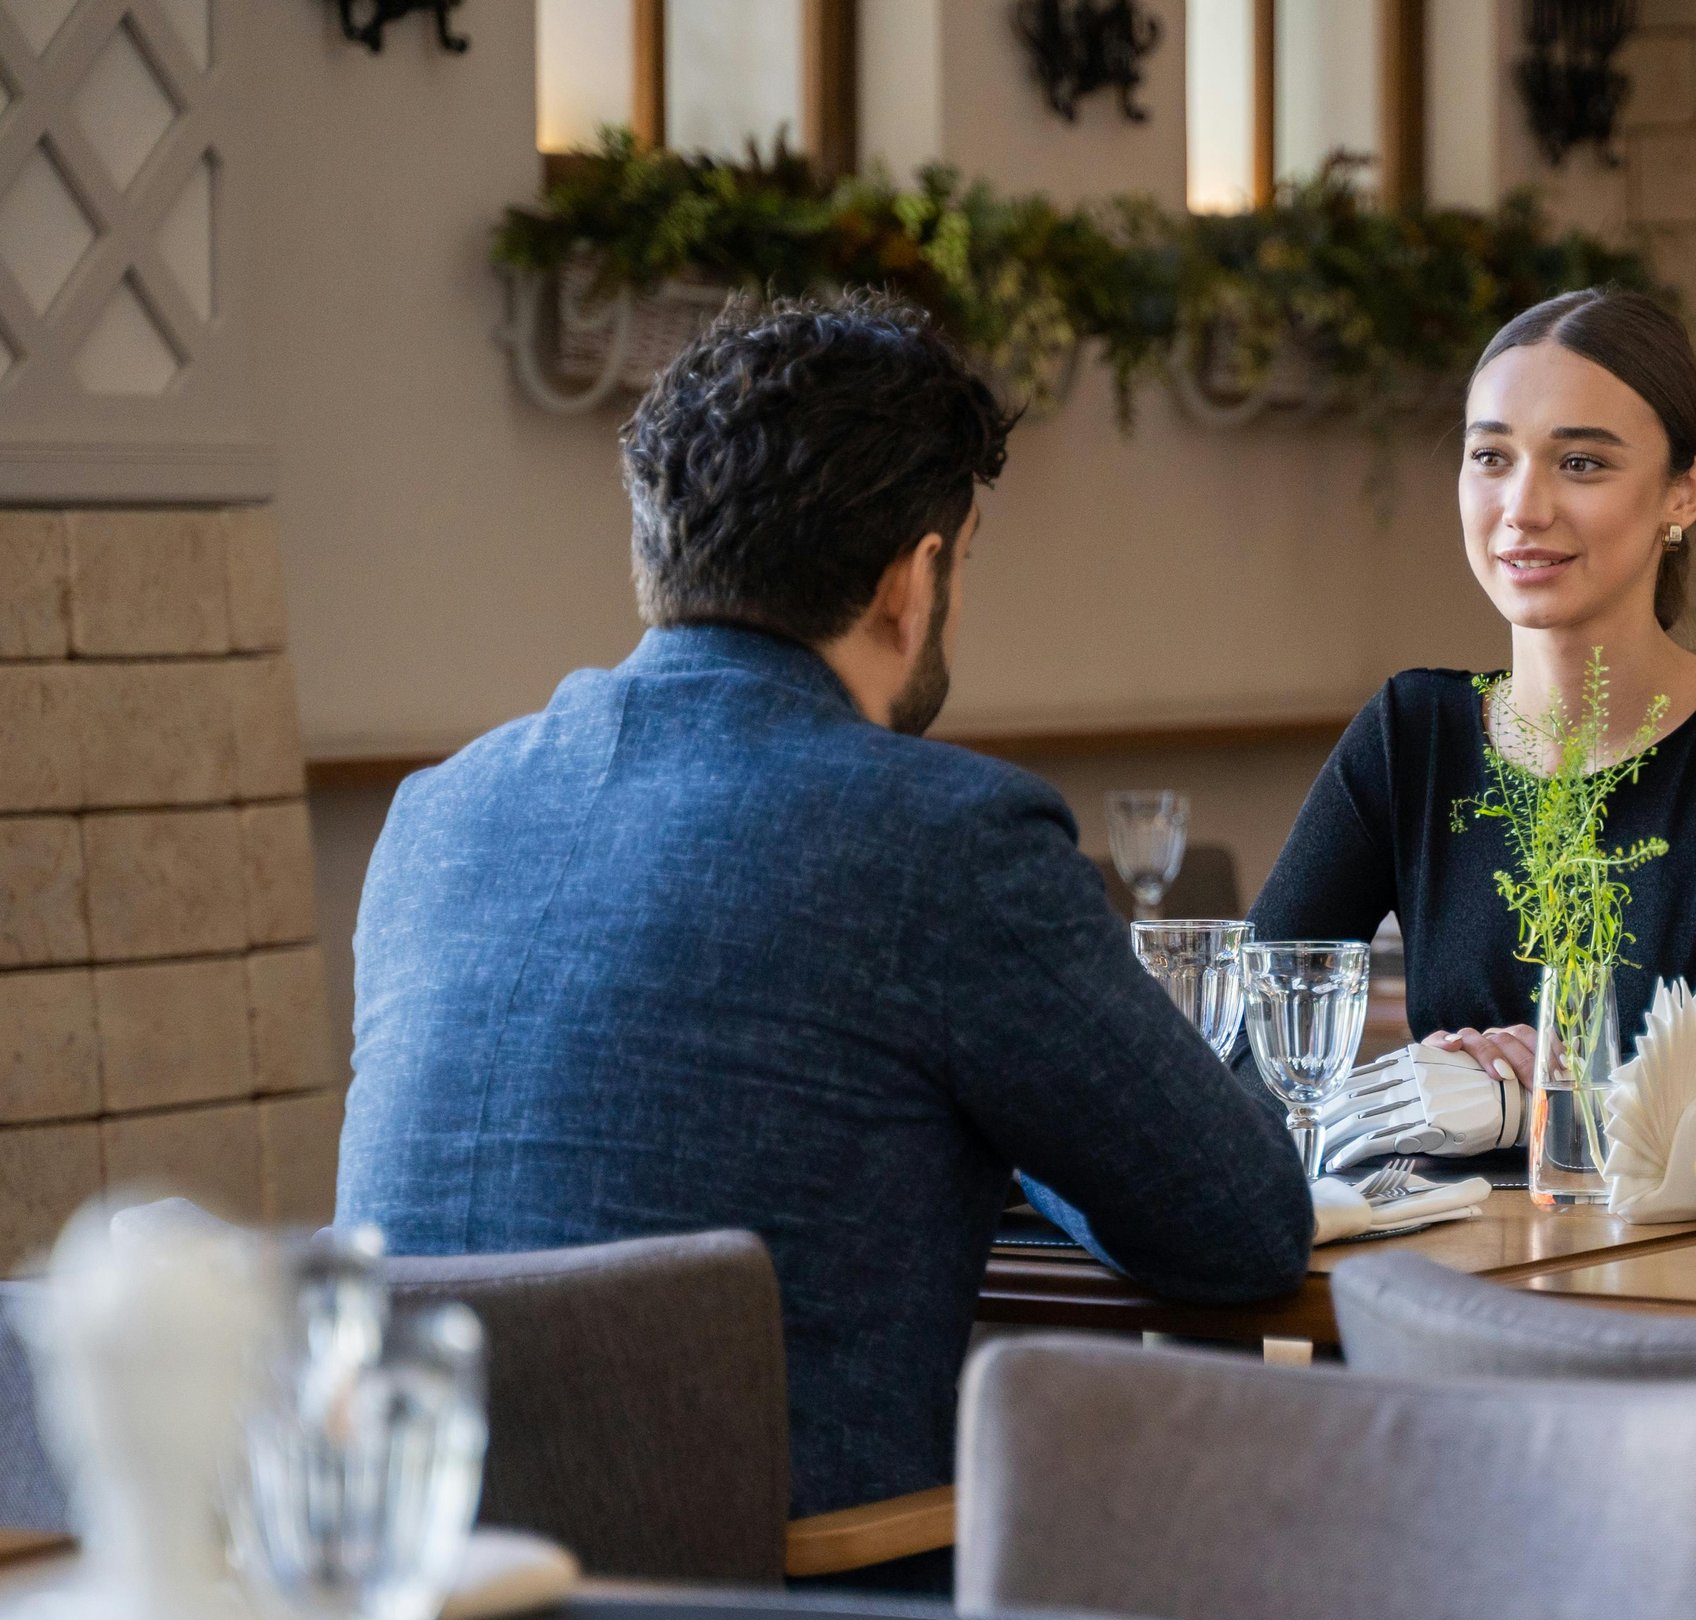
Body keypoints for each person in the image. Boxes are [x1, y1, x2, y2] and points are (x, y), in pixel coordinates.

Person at [337, 295, 1313, 1546]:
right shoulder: (940, 834)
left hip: (425, 1605)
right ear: (916, 579)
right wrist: (1014, 1113)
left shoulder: (435, 816)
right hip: (800, 1609)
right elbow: (1239, 1223)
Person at [1249, 288, 1696, 1093]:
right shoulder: (1411, 733)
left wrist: (1582, 1088)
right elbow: (1243, 1046)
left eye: (1581, 463)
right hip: (1454, 1220)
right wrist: (1423, 1075)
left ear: (1685, 491)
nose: (1524, 509)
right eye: (1491, 457)